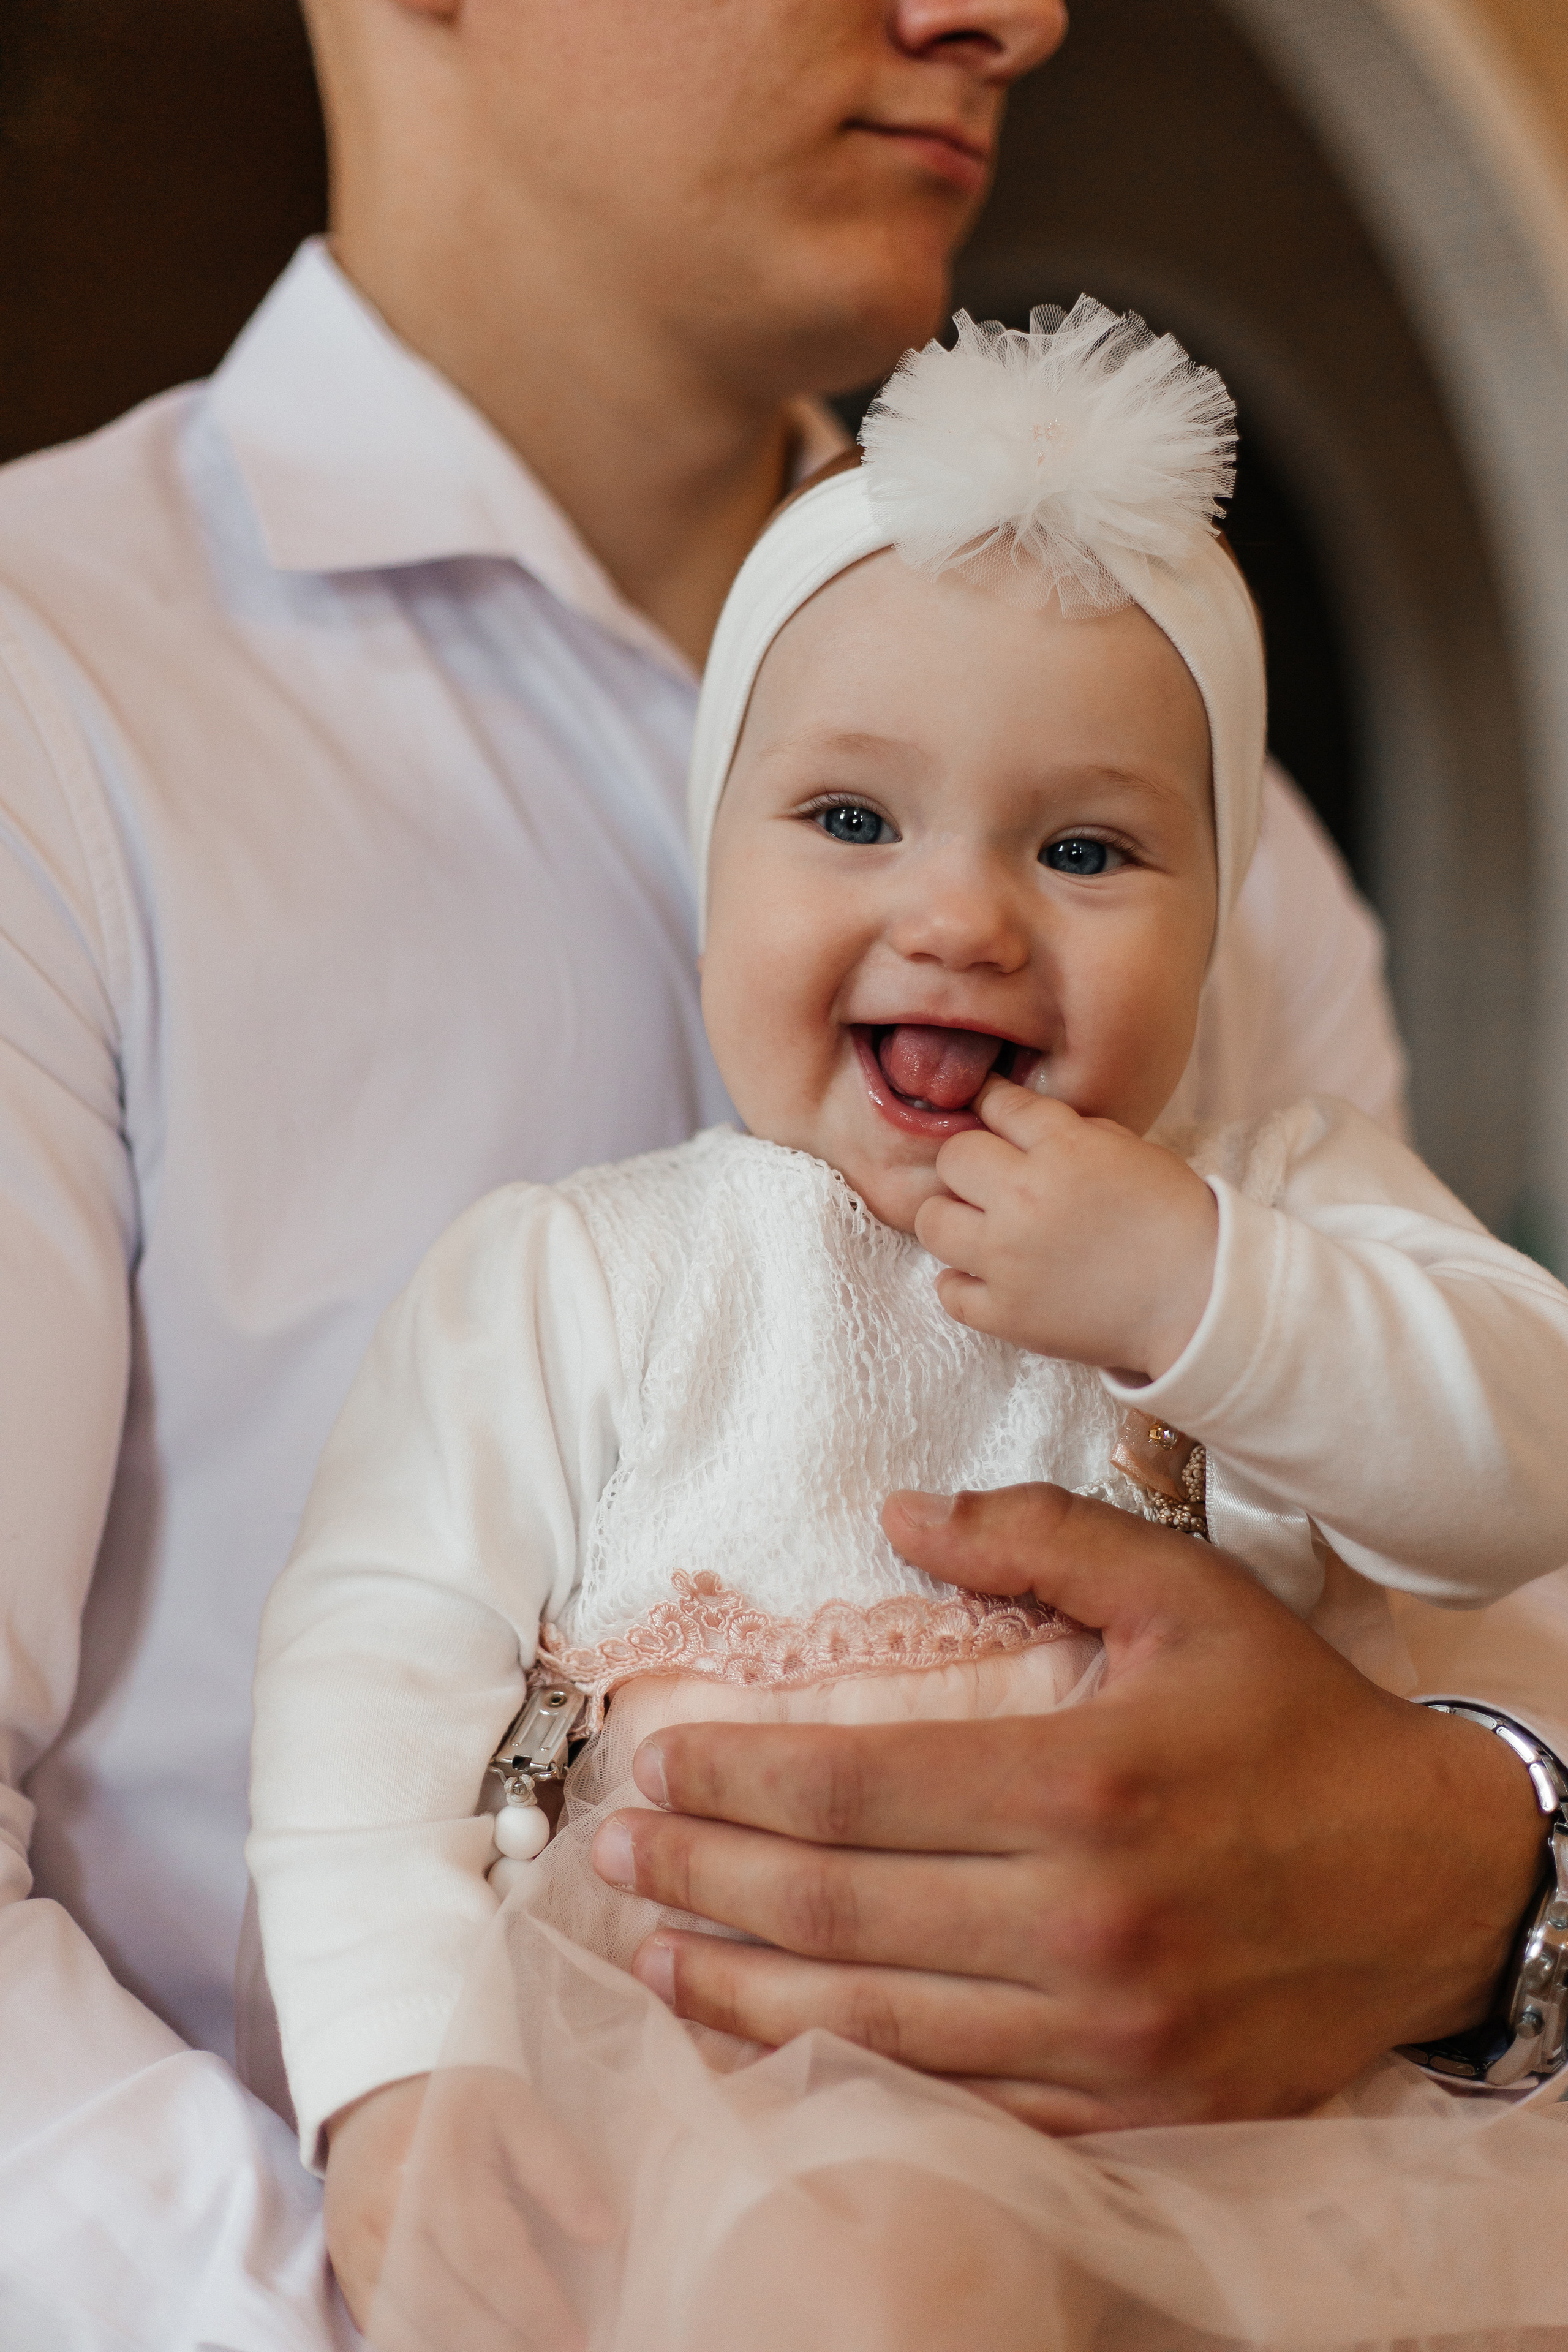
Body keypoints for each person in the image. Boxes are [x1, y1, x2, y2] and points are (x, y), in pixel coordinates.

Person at [0, 1, 1556, 2342]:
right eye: (845, 818)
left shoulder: (1206, 807)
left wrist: (1489, 1883)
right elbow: (375, 1679)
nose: (1011, 12)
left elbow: (1491, 1571)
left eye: (1088, 850)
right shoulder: (50, 700)